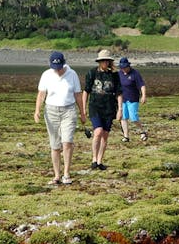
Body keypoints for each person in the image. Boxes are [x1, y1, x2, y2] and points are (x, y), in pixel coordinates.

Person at [34, 51, 86, 185]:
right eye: (54, 67)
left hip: (68, 110)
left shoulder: (72, 74)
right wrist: (37, 111)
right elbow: (41, 94)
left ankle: (66, 173)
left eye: (59, 67)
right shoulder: (46, 74)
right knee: (55, 144)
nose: (57, 70)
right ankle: (57, 175)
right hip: (51, 111)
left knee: (67, 141)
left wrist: (83, 112)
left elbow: (78, 94)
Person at [82, 49, 122, 170]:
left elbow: (119, 93)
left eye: (107, 61)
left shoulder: (114, 75)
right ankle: (94, 159)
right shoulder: (92, 73)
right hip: (95, 106)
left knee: (105, 135)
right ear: (99, 62)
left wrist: (120, 109)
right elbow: (86, 91)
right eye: (103, 61)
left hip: (109, 107)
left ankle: (100, 161)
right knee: (98, 132)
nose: (105, 63)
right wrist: (83, 108)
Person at [117, 57, 148, 142]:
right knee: (124, 117)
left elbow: (142, 85)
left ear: (128, 66)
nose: (123, 69)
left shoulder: (135, 73)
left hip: (133, 98)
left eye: (125, 67)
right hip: (123, 99)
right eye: (122, 68)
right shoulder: (119, 73)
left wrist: (144, 95)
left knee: (133, 117)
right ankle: (126, 136)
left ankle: (142, 131)